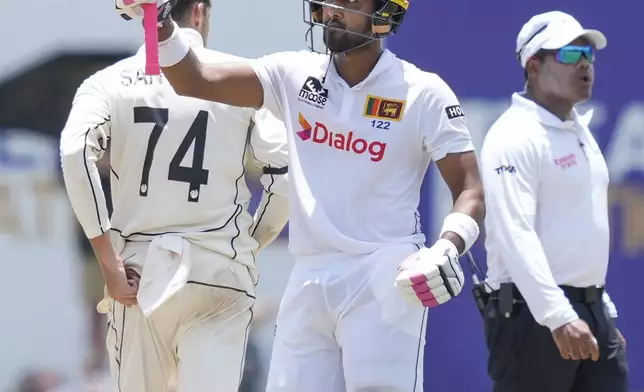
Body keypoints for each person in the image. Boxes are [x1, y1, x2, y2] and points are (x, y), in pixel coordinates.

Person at [115, 0, 485, 391]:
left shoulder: (424, 92)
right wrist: (156, 18)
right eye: (328, 2)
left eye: (350, 3)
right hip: (309, 275)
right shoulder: (293, 73)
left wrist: (446, 247)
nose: (334, 11)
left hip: (383, 273)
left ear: (385, 14)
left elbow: (470, 189)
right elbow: (195, 79)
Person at [60, 1, 290, 391]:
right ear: (198, 11)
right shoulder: (243, 79)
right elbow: (282, 176)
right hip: (220, 271)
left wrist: (108, 261)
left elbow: (74, 153)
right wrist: (248, 244)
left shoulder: (106, 82)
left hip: (139, 273)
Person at [480, 11, 628, 392]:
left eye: (588, 54)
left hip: (586, 312)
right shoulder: (514, 134)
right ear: (533, 64)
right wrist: (559, 316)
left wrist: (602, 313)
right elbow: (515, 234)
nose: (583, 63)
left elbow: (576, 232)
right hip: (533, 317)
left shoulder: (578, 131)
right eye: (568, 53)